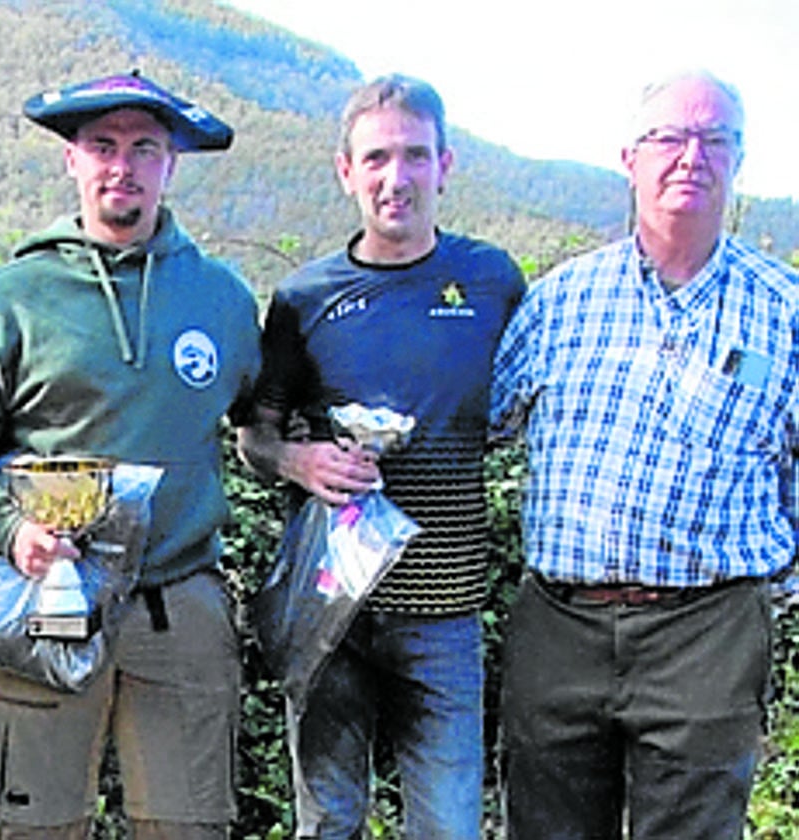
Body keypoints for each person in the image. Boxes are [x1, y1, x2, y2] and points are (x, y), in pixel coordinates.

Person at [0, 71, 260, 839]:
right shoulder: (12, 296)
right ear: (71, 160)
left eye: (145, 147)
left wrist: (307, 456)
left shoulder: (223, 299)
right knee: (39, 830)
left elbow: (258, 421)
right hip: (40, 600)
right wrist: (9, 527)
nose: (123, 165)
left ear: (171, 163)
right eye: (102, 146)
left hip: (180, 604)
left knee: (190, 827)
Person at [490, 69, 799, 839]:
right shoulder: (558, 300)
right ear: (629, 157)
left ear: (739, 158)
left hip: (709, 631)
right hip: (560, 626)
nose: (689, 156)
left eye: (712, 139)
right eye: (668, 136)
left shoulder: (785, 312)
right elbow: (479, 426)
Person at [238, 74, 525, 839]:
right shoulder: (303, 297)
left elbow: (528, 408)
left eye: (414, 156)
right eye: (375, 159)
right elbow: (253, 435)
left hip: (447, 612)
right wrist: (301, 464)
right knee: (328, 823)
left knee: (450, 827)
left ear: (445, 164)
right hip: (332, 607)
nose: (395, 178)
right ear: (345, 171)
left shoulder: (492, 281)